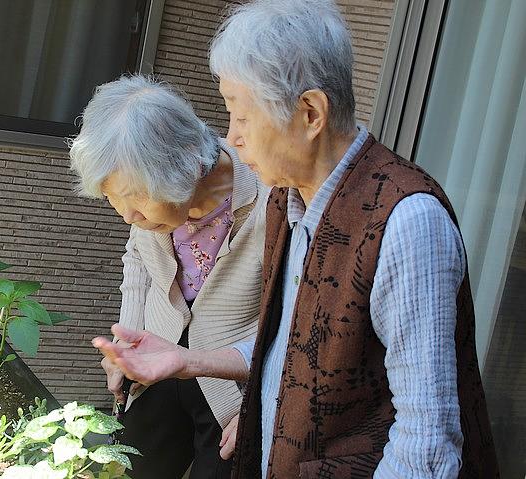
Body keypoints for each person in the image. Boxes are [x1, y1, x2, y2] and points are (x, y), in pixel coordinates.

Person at [92, 1, 499, 477]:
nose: (232, 139)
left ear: (310, 114)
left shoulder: (406, 220)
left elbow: (425, 443)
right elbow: (292, 347)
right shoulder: (290, 204)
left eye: (241, 116)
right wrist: (186, 360)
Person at [68, 75, 270, 478]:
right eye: (114, 199)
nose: (128, 216)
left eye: (137, 198)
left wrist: (259, 402)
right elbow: (138, 259)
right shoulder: (144, 191)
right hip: (157, 365)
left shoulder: (270, 197)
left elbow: (289, 314)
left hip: (230, 385)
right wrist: (126, 342)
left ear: (190, 165)